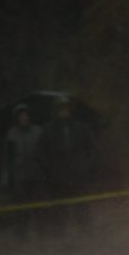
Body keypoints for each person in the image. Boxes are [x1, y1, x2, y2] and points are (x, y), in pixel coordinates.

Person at [38, 96, 96, 234]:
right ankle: (58, 233)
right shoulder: (48, 129)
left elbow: (92, 148)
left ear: (70, 109)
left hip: (78, 173)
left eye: (66, 108)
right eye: (61, 108)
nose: (64, 111)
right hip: (57, 174)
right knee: (59, 205)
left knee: (81, 204)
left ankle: (85, 232)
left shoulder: (81, 128)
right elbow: (40, 151)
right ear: (56, 110)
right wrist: (49, 169)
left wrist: (85, 165)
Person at [4, 104, 43, 238]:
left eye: (26, 116)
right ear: (17, 118)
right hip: (19, 175)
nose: (24, 118)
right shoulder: (11, 134)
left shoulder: (38, 131)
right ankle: (21, 233)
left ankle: (41, 231)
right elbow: (8, 157)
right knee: (21, 206)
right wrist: (7, 177)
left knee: (39, 205)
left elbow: (44, 152)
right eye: (21, 116)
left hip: (37, 174)